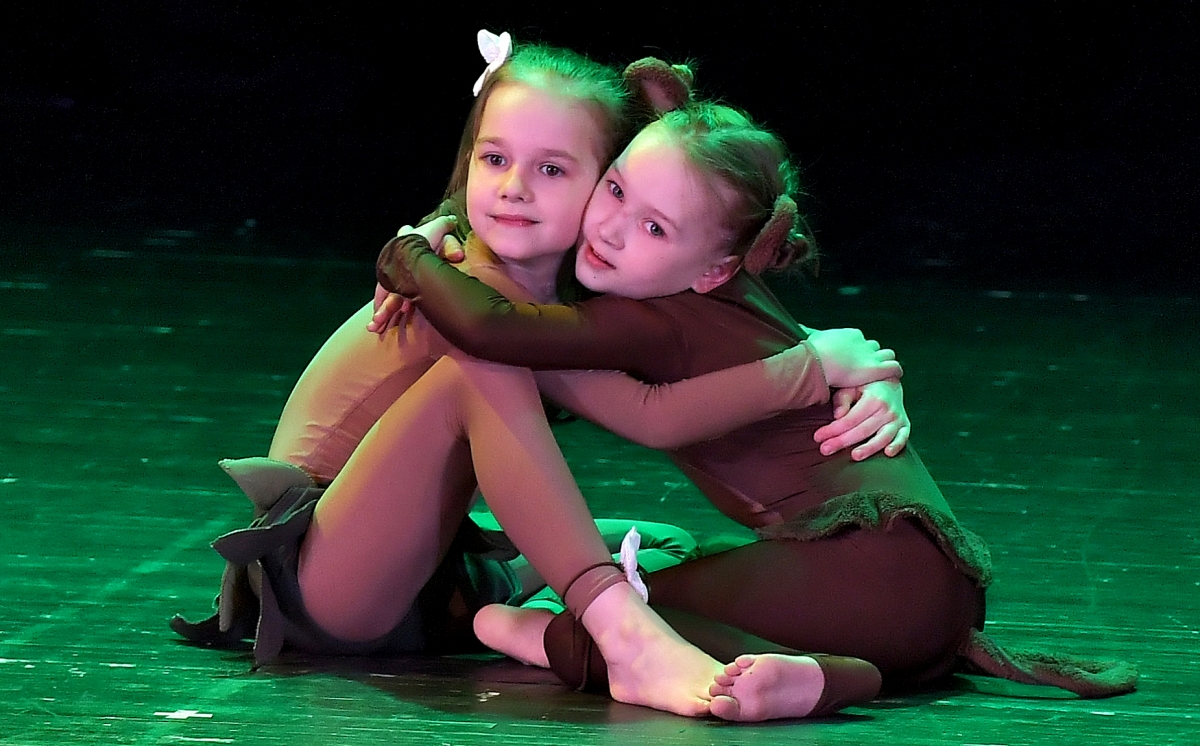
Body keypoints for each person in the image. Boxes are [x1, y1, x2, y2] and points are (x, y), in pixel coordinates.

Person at [372, 67, 1138, 719]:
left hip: (868, 580)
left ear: (714, 266)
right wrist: (878, 372)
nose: (610, 228)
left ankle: (828, 676)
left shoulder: (653, 319)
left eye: (654, 228)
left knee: (616, 613)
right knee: (674, 570)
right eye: (614, 188)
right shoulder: (734, 293)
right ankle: (847, 662)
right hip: (942, 595)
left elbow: (493, 328)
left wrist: (409, 253)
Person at [172, 32, 907, 704]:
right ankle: (624, 639)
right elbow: (653, 416)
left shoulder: (570, 286)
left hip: (432, 577)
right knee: (478, 371)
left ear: (610, 181)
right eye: (494, 160)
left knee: (662, 546)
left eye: (552, 169)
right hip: (326, 583)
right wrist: (811, 369)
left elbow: (720, 318)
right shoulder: (470, 294)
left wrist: (866, 369)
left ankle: (548, 619)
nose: (514, 188)